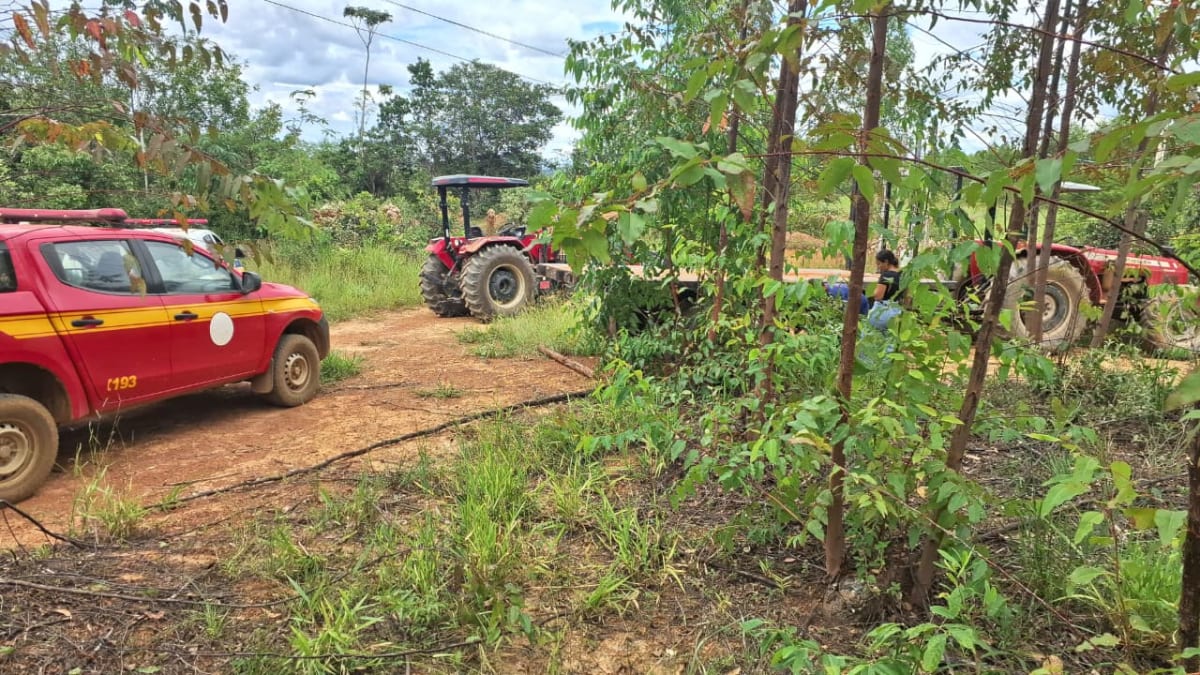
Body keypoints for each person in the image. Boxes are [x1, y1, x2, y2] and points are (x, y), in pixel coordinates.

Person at [867, 249, 903, 335]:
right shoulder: (903, 274)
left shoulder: (886, 275)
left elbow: (878, 296)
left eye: (879, 264)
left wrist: (874, 292)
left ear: (886, 262)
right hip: (896, 311)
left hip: (882, 311)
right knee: (889, 341)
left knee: (870, 337)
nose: (878, 267)